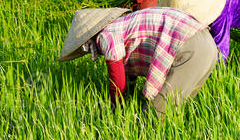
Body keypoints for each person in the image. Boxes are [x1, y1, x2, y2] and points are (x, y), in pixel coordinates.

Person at [59, 7, 217, 117]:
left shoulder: (107, 36)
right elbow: (129, 74)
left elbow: (117, 79)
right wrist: (128, 97)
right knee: (177, 109)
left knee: (155, 115)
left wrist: (116, 108)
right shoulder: (124, 25)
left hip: (189, 47)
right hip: (207, 44)